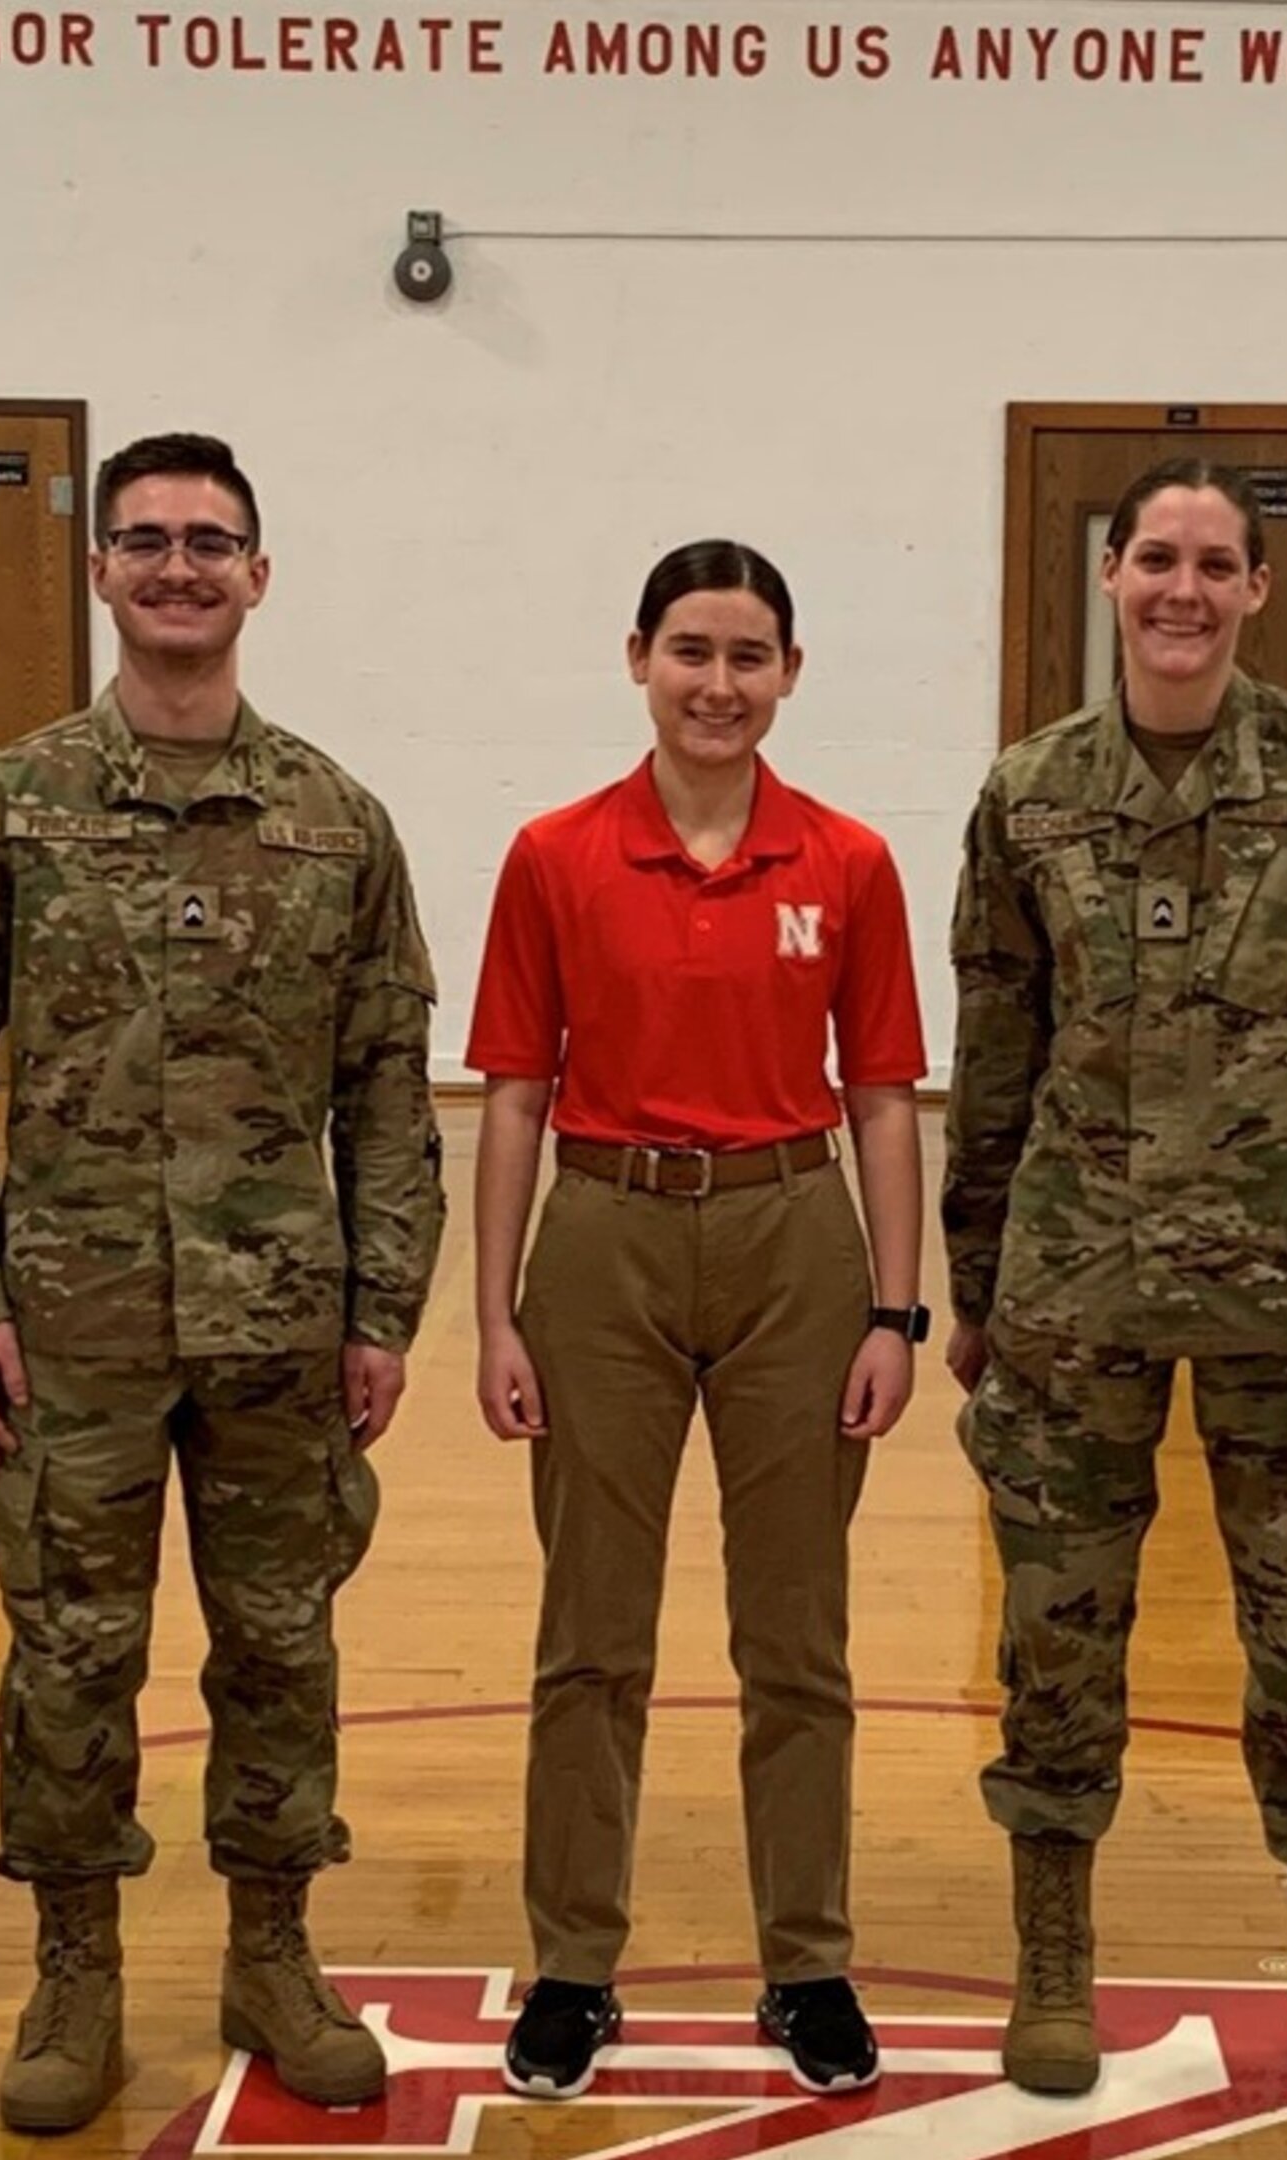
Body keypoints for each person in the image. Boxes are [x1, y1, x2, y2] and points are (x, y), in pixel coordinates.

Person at [0, 429, 448, 2134]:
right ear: (103, 573)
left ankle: (272, 1954)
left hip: (283, 1328)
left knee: (282, 1650)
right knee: (70, 1656)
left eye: (213, 542)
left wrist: (382, 1310)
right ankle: (77, 1967)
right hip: (76, 1326)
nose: (182, 567)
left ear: (259, 577)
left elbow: (390, 1087)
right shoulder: (7, 808)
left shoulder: (338, 823)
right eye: (150, 541)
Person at [939, 460, 1287, 2110]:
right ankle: (1052, 1957)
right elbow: (997, 1049)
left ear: (1256, 590)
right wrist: (974, 1283)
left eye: (1215, 564)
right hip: (1074, 1288)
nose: (1183, 589)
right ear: (1109, 578)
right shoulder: (1029, 791)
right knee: (1057, 1632)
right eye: (1154, 558)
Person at [465, 540, 931, 2101]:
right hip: (602, 1241)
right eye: (690, 651)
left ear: (791, 672)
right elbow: (515, 1092)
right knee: (591, 1635)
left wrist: (894, 1309)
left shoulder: (851, 863)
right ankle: (571, 1965)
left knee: (796, 1636)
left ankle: (806, 1960)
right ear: (638, 660)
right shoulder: (554, 854)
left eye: (748, 655)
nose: (718, 683)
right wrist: (496, 1317)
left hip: (798, 1239)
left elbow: (881, 1096)